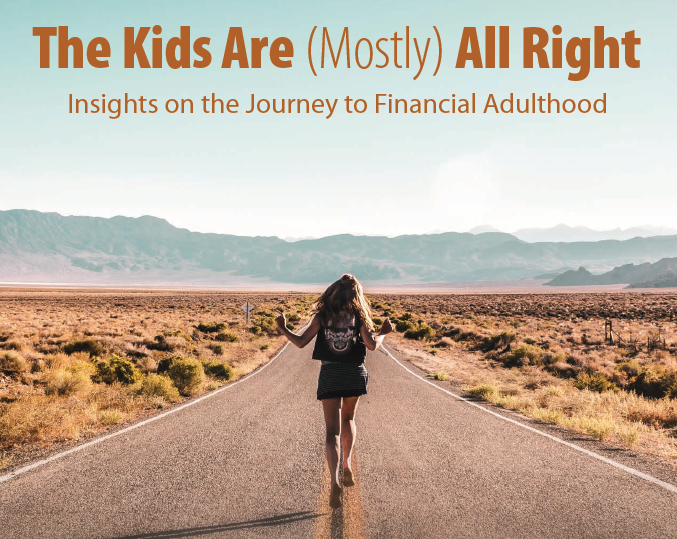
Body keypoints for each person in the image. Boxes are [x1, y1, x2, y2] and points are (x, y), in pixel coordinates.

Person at [276, 274, 393, 509]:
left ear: (333, 291)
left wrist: (283, 328)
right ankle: (347, 464)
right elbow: (371, 345)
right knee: (348, 418)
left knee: (332, 432)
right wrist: (383, 332)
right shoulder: (359, 315)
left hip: (330, 374)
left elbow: (300, 343)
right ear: (355, 294)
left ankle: (334, 481)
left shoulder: (323, 316)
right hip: (354, 373)